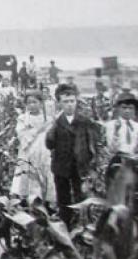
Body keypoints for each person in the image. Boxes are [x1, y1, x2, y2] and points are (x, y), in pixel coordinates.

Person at [45, 84, 102, 226]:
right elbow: (49, 144)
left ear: (76, 101)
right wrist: (51, 128)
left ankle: (82, 223)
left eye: (72, 101)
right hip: (61, 165)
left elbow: (93, 142)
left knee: (80, 195)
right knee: (63, 197)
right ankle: (65, 223)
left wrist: (91, 162)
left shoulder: (84, 121)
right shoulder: (57, 123)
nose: (69, 105)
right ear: (59, 103)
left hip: (79, 165)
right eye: (65, 102)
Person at [10, 90, 55, 200]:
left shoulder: (48, 119)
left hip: (44, 151)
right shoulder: (23, 118)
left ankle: (46, 199)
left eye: (35, 102)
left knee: (45, 171)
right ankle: (28, 198)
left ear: (41, 103)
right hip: (28, 150)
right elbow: (22, 134)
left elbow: (52, 136)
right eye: (29, 103)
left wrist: (47, 129)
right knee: (28, 172)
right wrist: (38, 130)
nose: (32, 105)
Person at [102, 91, 138, 156]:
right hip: (118, 160)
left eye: (130, 108)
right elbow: (112, 149)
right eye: (124, 107)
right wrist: (116, 132)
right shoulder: (110, 125)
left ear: (135, 110)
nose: (127, 111)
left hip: (135, 160)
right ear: (118, 108)